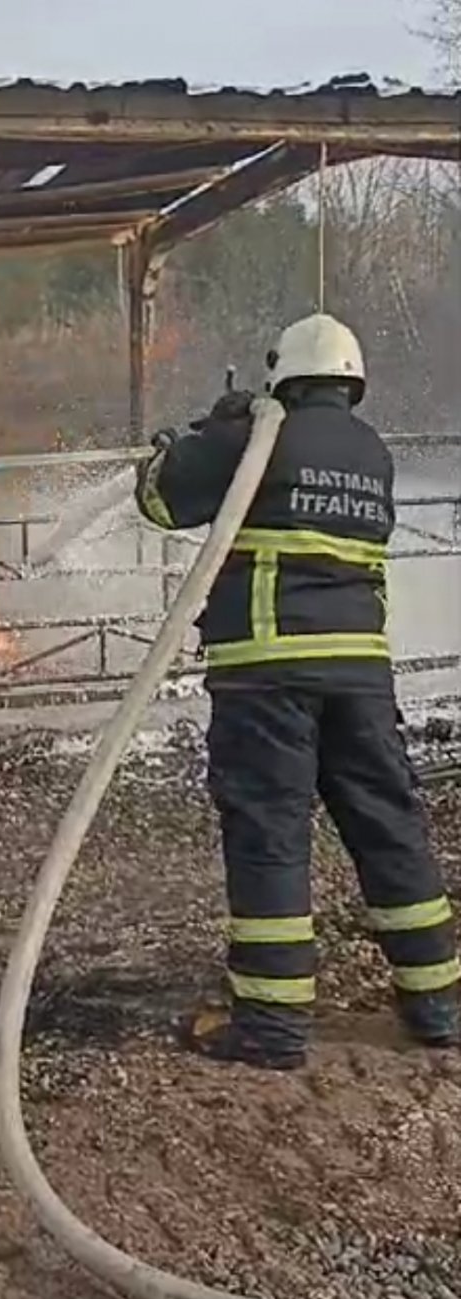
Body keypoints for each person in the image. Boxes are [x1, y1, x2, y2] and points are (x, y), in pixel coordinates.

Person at [135, 313, 460, 1070]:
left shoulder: (256, 435)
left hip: (267, 672)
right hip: (360, 672)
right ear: (352, 379)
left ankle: (272, 1027)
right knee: (389, 827)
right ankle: (437, 1002)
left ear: (281, 373)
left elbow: (159, 501)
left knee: (271, 835)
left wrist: (194, 440)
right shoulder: (372, 453)